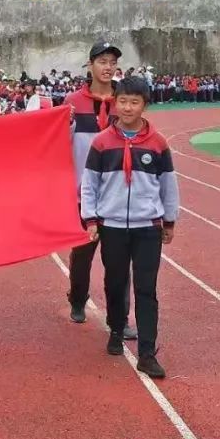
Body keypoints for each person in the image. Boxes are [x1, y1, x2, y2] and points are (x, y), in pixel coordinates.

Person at [81, 76, 179, 380]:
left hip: (147, 227)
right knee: (115, 282)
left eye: (134, 102)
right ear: (114, 102)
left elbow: (168, 186)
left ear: (144, 105)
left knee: (146, 289)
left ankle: (147, 353)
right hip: (111, 226)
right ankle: (116, 328)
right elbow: (89, 184)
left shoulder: (158, 144)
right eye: (122, 101)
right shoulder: (101, 142)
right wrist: (91, 219)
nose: (127, 107)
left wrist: (169, 220)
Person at [64, 41, 136, 340]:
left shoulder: (125, 101)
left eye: (112, 62)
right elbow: (57, 143)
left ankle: (119, 317)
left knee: (119, 261)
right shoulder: (72, 102)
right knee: (82, 256)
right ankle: (78, 298)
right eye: (103, 61)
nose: (108, 67)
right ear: (90, 64)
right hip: (85, 196)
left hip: (118, 194)